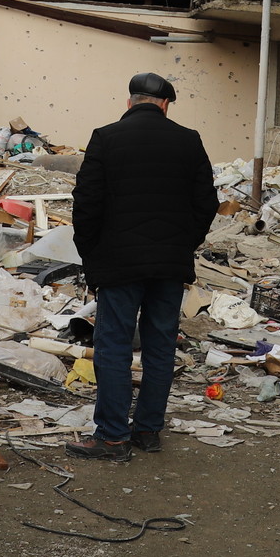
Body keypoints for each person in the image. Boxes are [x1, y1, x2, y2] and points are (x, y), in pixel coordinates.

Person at [64, 72, 218, 461]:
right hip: (169, 266)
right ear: (165, 104)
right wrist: (183, 246)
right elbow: (206, 205)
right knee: (160, 347)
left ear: (130, 102)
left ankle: (113, 437)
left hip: (118, 265)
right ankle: (148, 431)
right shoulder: (189, 140)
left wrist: (92, 259)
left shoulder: (105, 137)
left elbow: (85, 206)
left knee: (113, 347)